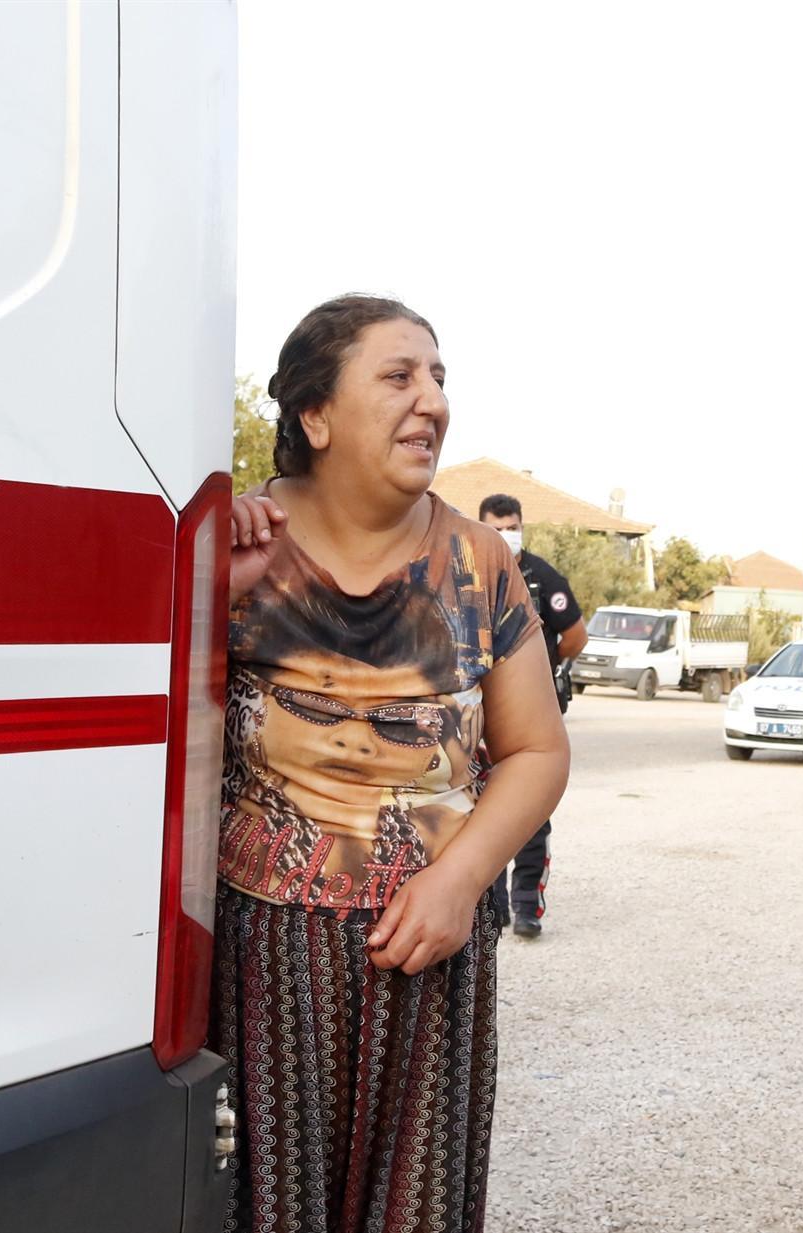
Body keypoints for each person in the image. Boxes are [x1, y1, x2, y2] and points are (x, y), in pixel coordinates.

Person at [215, 295, 570, 1232]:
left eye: (439, 378)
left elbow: (537, 750)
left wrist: (460, 881)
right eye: (399, 376)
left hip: (431, 949)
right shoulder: (237, 541)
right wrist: (205, 597)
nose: (433, 401)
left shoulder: (480, 561)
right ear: (315, 414)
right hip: (265, 957)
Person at [478, 493, 588, 939]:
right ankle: (494, 905)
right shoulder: (468, 571)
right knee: (482, 808)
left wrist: (543, 671)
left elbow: (575, 636)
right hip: (479, 712)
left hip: (531, 714)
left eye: (512, 527)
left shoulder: (544, 577)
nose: (506, 535)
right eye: (496, 528)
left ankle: (526, 906)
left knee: (531, 811)